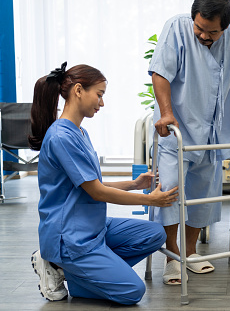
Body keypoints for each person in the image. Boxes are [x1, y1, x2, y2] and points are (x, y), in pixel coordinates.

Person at [29, 62, 178, 305]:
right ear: (78, 90)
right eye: (99, 95)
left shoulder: (79, 132)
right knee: (132, 291)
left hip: (91, 225)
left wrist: (134, 184)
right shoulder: (61, 137)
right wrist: (149, 199)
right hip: (70, 237)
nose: (101, 103)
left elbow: (92, 183)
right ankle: (62, 265)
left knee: (154, 234)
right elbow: (97, 192)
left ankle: (78, 272)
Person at [149, 0, 230, 285]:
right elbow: (160, 73)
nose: (203, 35)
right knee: (171, 192)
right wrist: (165, 112)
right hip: (176, 127)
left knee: (203, 195)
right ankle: (172, 256)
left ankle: (192, 252)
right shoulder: (177, 27)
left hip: (213, 129)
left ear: (224, 27)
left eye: (211, 31)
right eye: (199, 28)